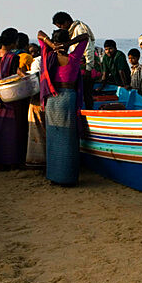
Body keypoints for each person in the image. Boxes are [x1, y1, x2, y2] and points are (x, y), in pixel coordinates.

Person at [37, 28, 89, 185]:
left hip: (52, 99)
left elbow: (39, 33)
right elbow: (85, 37)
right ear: (67, 41)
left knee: (54, 138)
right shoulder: (73, 58)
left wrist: (51, 44)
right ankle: (67, 177)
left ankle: (54, 176)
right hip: (68, 99)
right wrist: (69, 43)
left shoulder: (48, 56)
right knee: (69, 140)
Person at [0, 28, 29, 170]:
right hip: (11, 98)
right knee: (14, 129)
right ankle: (14, 161)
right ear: (14, 41)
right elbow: (18, 75)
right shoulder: (13, 57)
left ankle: (1, 162)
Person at [52, 11, 95, 109]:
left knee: (86, 93)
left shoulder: (79, 28)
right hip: (78, 64)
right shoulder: (73, 30)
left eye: (61, 26)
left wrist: (89, 68)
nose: (61, 29)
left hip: (86, 65)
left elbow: (88, 49)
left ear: (66, 22)